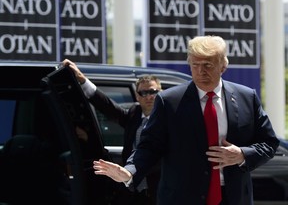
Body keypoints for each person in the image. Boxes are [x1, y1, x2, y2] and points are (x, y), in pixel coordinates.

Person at [92, 35, 280, 205]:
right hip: (182, 197)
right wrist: (130, 171)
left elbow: (269, 142)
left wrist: (242, 155)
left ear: (223, 65)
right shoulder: (169, 101)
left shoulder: (246, 97)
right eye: (195, 65)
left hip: (233, 197)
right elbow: (150, 146)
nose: (200, 71)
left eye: (207, 65)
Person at [62, 59, 162, 205]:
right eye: (144, 92)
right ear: (137, 96)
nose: (149, 96)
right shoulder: (134, 113)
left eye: (153, 91)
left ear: (161, 93)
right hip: (131, 190)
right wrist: (82, 80)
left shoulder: (169, 119)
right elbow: (107, 106)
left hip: (157, 190)